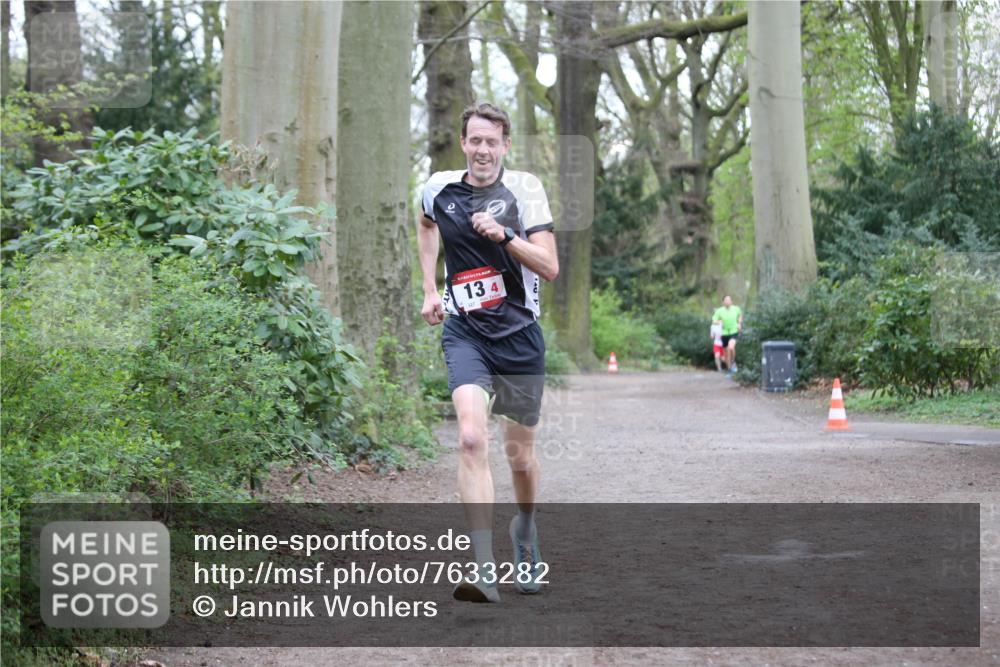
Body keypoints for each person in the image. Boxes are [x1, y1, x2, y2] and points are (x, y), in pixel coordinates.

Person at [417, 102, 558, 603]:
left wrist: (507, 237)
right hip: (465, 332)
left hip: (520, 336)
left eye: (491, 142)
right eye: (474, 140)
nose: (482, 150)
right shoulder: (437, 187)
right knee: (472, 439)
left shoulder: (525, 190)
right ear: (463, 143)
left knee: (520, 457)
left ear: (505, 146)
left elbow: (550, 266)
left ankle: (525, 532)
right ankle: (482, 569)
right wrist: (432, 288)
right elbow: (426, 223)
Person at [712, 295, 743, 374]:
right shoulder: (719, 311)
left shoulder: (736, 309)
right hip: (724, 333)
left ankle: (733, 362)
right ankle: (729, 369)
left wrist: (739, 323)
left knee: (731, 347)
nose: (727, 301)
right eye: (726, 300)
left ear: (732, 301)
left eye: (729, 300)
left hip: (734, 331)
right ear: (723, 302)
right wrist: (719, 322)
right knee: (726, 354)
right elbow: (714, 320)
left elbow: (740, 315)